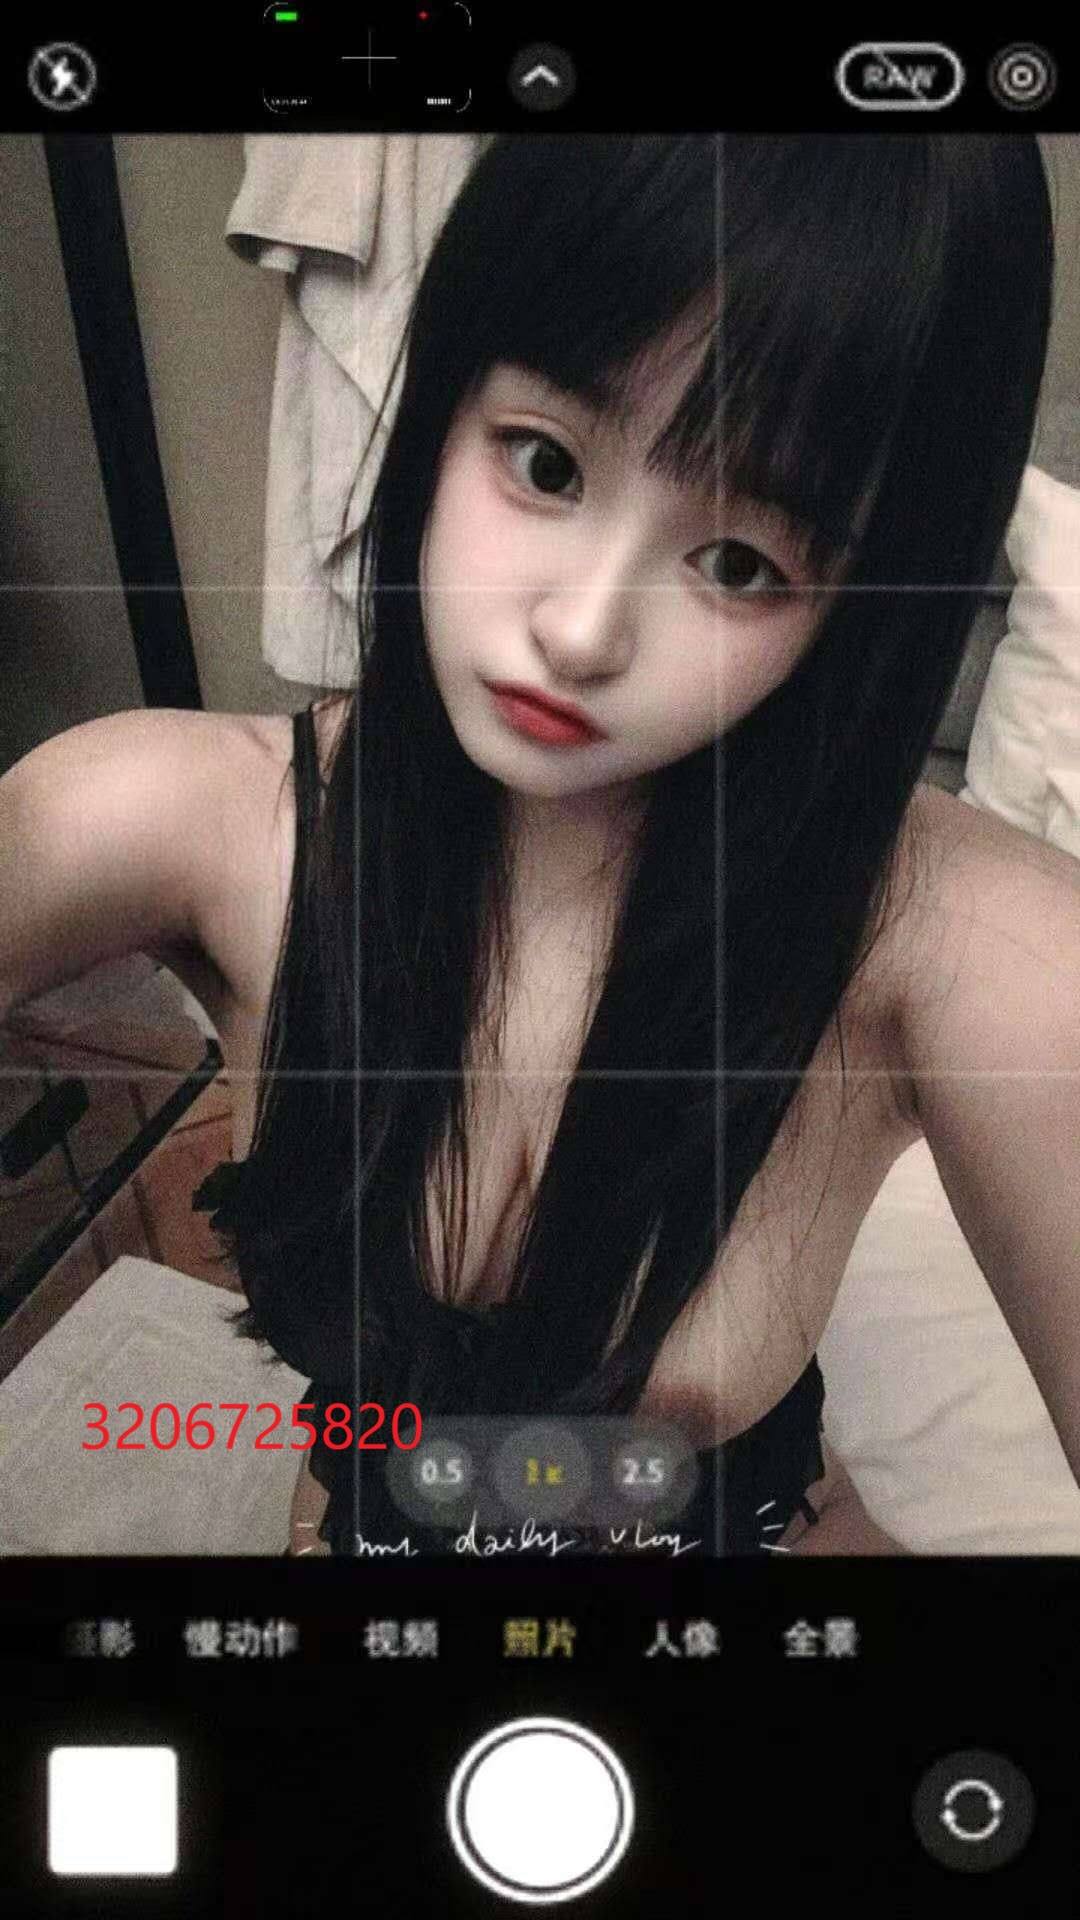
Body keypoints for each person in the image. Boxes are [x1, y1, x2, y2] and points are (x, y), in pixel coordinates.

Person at [4, 135, 1071, 1559]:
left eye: (740, 563)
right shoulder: (200, 822)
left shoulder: (965, 943)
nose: (579, 630)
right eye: (546, 462)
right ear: (447, 394)